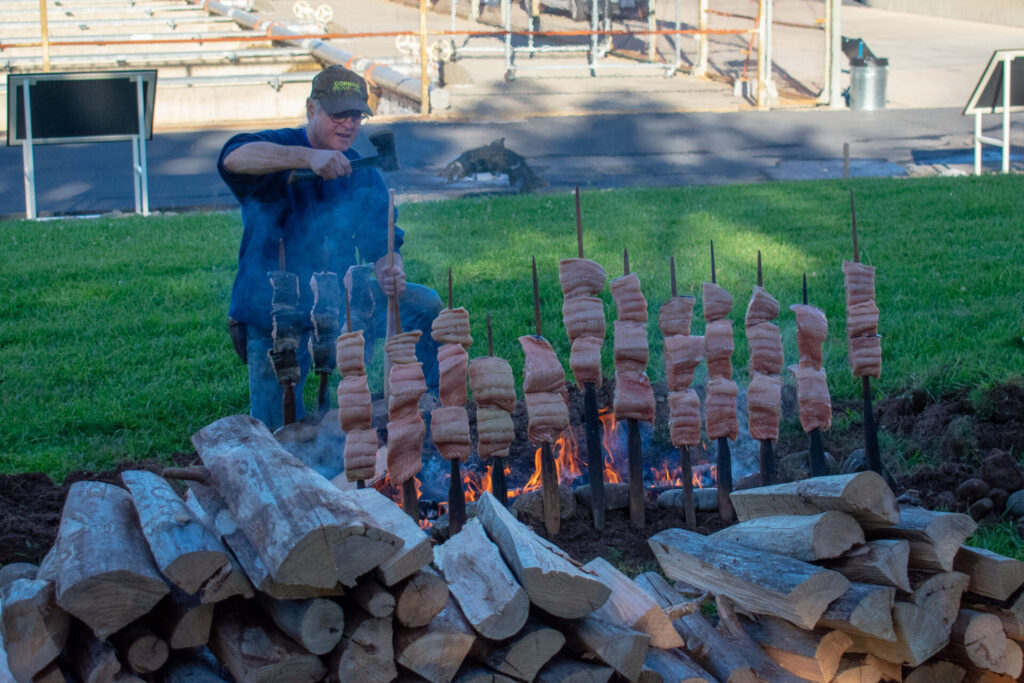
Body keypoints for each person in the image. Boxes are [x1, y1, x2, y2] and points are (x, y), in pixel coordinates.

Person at [218, 64, 441, 431]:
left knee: (425, 305)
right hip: (273, 311)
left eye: (356, 115)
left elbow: (381, 240)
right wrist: (308, 158)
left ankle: (429, 405)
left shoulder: (362, 169)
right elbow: (232, 157)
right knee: (277, 430)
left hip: (339, 301)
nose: (349, 124)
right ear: (311, 109)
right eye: (339, 114)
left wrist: (390, 267)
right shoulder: (282, 146)